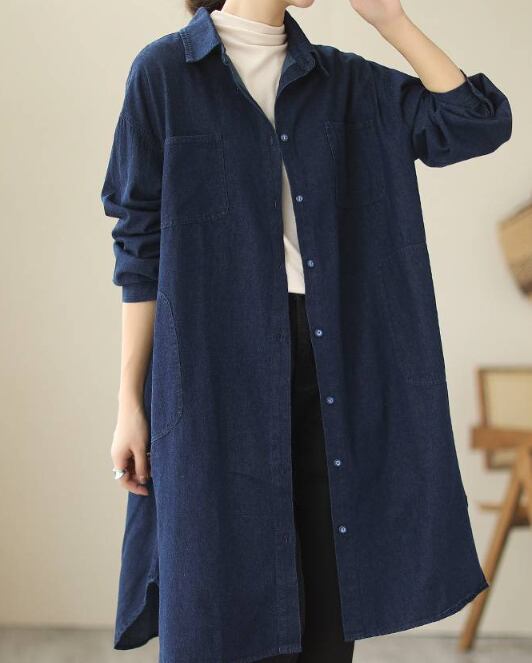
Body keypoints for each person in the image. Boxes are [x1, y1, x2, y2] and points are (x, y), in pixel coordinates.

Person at [100, 1, 512, 662]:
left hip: (334, 361)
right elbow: (140, 246)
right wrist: (129, 399)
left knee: (327, 591)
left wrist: (391, 21)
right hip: (212, 366)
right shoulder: (165, 73)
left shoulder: (347, 84)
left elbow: (475, 122)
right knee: (215, 595)